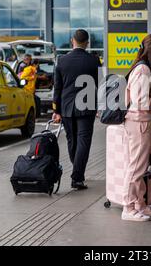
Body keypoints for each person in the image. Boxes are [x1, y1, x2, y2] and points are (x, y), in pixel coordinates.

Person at [121, 33, 151, 222]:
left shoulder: (143, 68)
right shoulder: (143, 70)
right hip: (138, 122)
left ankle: (140, 204)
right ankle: (128, 207)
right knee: (136, 167)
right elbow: (140, 101)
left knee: (140, 166)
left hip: (141, 122)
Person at [52, 29, 100, 190]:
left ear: (73, 40)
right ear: (87, 42)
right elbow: (98, 85)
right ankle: (77, 176)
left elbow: (57, 88)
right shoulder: (94, 61)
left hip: (66, 107)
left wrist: (56, 110)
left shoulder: (62, 60)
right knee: (83, 142)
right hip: (87, 107)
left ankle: (77, 170)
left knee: (72, 140)